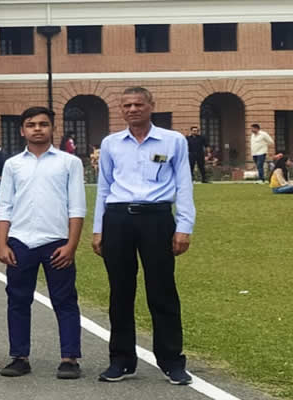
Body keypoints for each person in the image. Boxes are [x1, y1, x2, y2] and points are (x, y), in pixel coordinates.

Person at [92, 87, 195, 385]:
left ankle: (172, 361)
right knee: (120, 291)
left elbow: (184, 184)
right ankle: (121, 360)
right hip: (118, 218)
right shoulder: (111, 143)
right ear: (121, 110)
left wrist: (184, 226)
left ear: (151, 105)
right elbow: (104, 187)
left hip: (157, 219)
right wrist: (98, 229)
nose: (133, 109)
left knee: (162, 290)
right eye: (127, 105)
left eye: (138, 104)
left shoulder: (173, 141)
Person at [0, 106, 85, 379]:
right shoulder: (13, 164)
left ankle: (69, 358)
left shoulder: (69, 163)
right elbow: (4, 206)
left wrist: (71, 246)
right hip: (20, 241)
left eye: (43, 124)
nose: (37, 129)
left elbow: (77, 207)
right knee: (18, 301)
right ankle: (19, 357)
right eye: (31, 124)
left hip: (56, 242)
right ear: (22, 130)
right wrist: (2, 244)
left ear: (52, 128)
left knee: (65, 300)